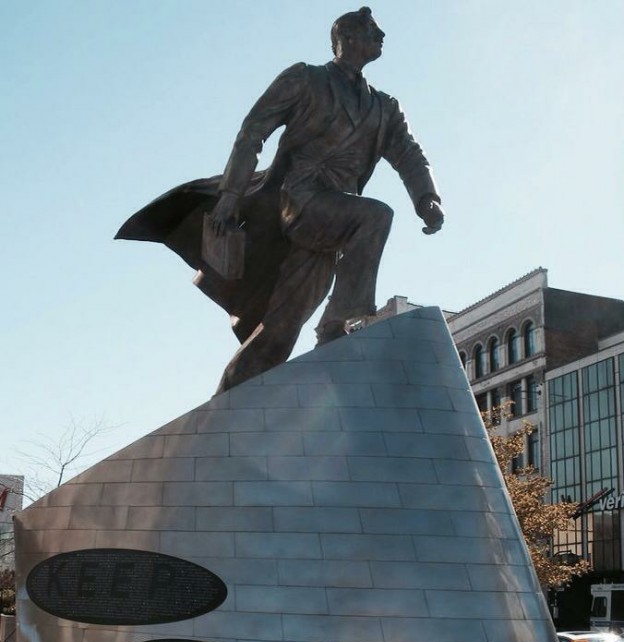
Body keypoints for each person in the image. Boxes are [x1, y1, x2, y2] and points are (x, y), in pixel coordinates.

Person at [116, 7, 443, 394]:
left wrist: (426, 198)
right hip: (298, 200)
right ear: (348, 37)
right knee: (376, 216)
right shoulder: (305, 78)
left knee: (278, 332)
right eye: (373, 29)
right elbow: (252, 132)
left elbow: (408, 153)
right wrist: (230, 195)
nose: (383, 35)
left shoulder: (385, 107)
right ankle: (337, 326)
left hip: (333, 225)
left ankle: (221, 410)